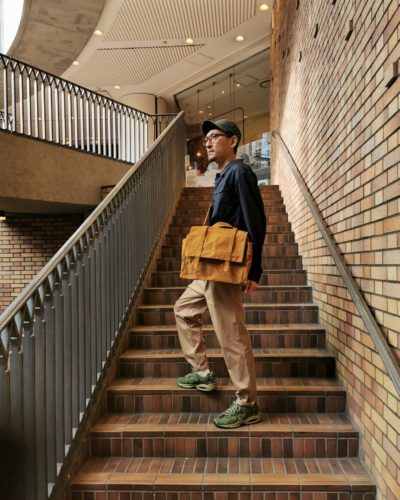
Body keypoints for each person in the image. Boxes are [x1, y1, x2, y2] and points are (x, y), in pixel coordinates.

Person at [174, 119, 267, 428]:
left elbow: (256, 221)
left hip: (227, 268)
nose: (208, 142)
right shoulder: (224, 175)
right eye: (207, 139)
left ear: (233, 141)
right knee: (184, 309)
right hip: (212, 266)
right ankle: (202, 372)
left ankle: (247, 403)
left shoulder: (240, 172)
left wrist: (254, 269)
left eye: (215, 137)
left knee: (231, 333)